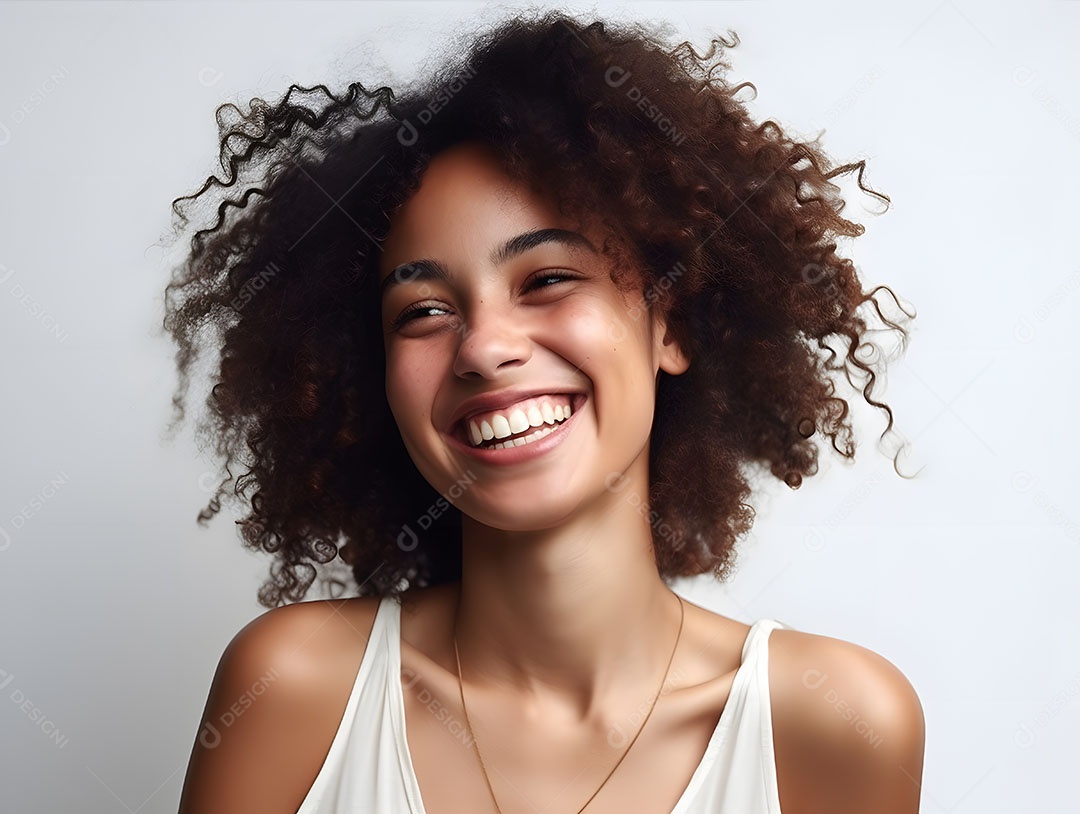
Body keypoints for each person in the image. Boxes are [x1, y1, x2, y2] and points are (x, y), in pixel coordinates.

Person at [167, 10, 924, 814]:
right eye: (423, 311)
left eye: (548, 280)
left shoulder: (834, 726)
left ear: (671, 326)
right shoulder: (295, 692)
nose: (484, 347)